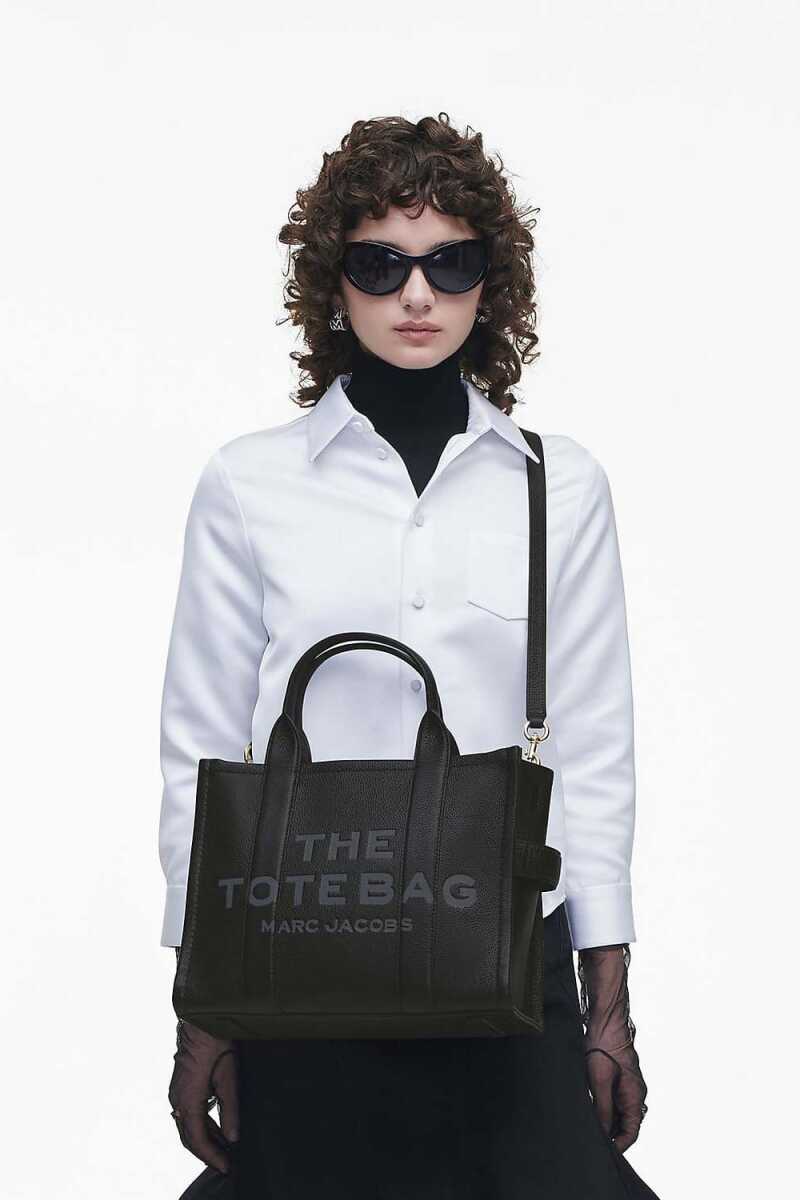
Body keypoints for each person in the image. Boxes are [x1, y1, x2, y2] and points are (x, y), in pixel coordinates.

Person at [160, 113, 661, 1199]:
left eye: (451, 262)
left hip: (505, 958)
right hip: (303, 950)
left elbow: (591, 745)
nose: (417, 294)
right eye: (381, 264)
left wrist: (607, 1005)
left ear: (491, 281)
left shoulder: (558, 484)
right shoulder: (250, 484)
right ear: (332, 283)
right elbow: (201, 752)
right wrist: (201, 1008)